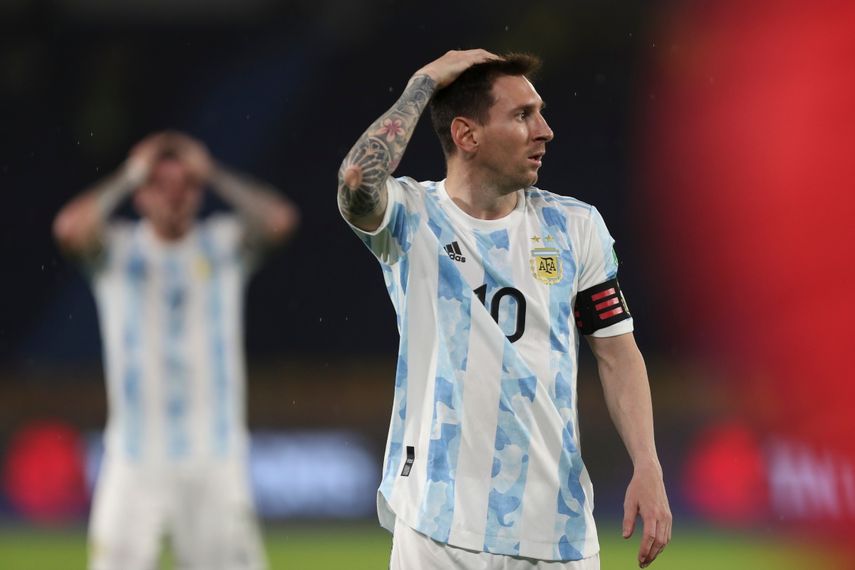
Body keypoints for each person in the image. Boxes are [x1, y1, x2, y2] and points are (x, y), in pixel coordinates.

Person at [337, 50, 671, 569]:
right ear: (467, 136)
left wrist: (647, 463)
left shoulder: (574, 227)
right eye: (522, 116)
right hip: (436, 525)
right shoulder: (410, 218)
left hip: (555, 530)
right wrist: (424, 82)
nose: (545, 130)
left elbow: (617, 353)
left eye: (539, 112)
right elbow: (358, 176)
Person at [53, 131, 299, 570]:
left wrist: (215, 172)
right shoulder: (117, 250)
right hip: (134, 459)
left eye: (186, 184)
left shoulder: (223, 245)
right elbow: (69, 229)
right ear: (141, 196)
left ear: (199, 192)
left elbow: (279, 219)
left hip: (214, 458)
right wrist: (129, 174)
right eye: (160, 185)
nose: (174, 196)